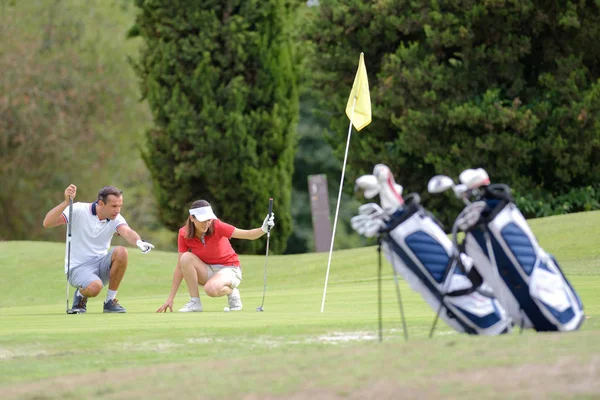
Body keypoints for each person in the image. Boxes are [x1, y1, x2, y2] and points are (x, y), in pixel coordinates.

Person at [43, 184, 154, 313]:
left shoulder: (116, 218)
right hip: (78, 268)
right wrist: (66, 203)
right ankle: (80, 295)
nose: (117, 210)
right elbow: (47, 223)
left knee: (121, 252)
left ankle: (110, 301)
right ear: (101, 203)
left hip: (101, 264)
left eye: (119, 206)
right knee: (95, 287)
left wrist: (139, 242)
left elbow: (127, 232)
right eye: (114, 206)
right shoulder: (78, 209)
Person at [156, 199, 274, 313]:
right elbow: (180, 267)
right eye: (202, 220)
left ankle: (231, 292)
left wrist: (263, 229)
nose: (207, 223)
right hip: (208, 270)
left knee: (210, 289)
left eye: (208, 219)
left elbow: (248, 234)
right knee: (185, 258)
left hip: (230, 269)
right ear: (192, 218)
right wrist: (170, 298)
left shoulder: (217, 226)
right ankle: (195, 302)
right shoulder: (183, 233)